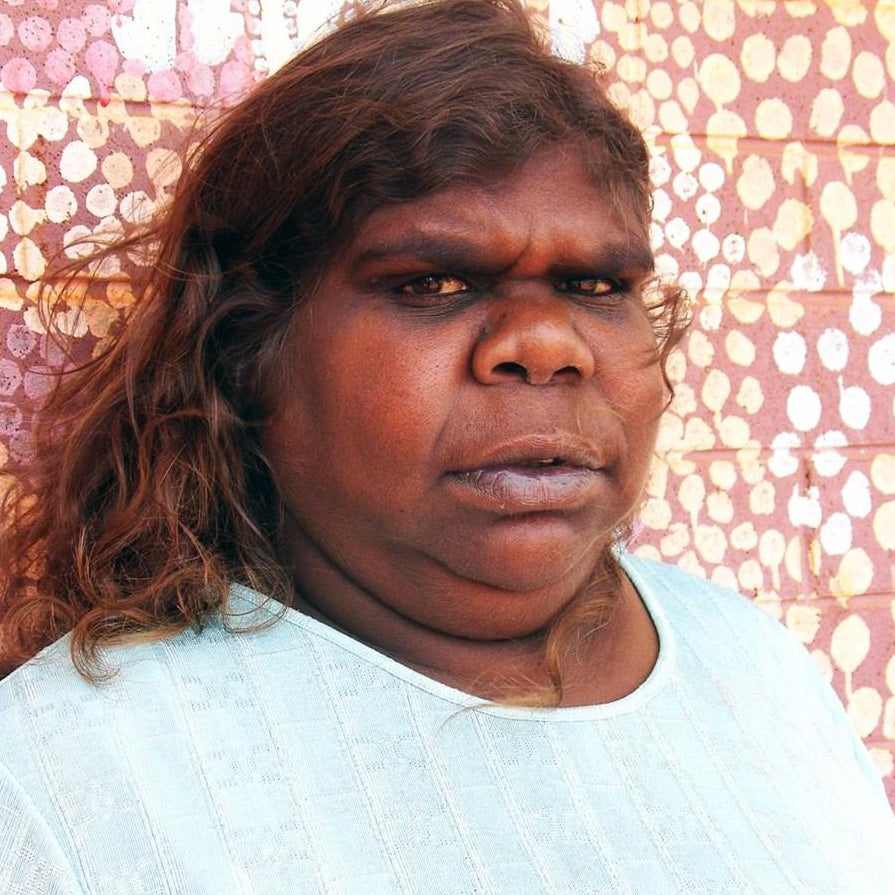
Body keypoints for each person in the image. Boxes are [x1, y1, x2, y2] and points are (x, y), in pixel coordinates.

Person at [1, 1, 893, 892]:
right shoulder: (77, 781)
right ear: (244, 351)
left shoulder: (756, 668)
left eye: (595, 285)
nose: (546, 343)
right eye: (431, 282)